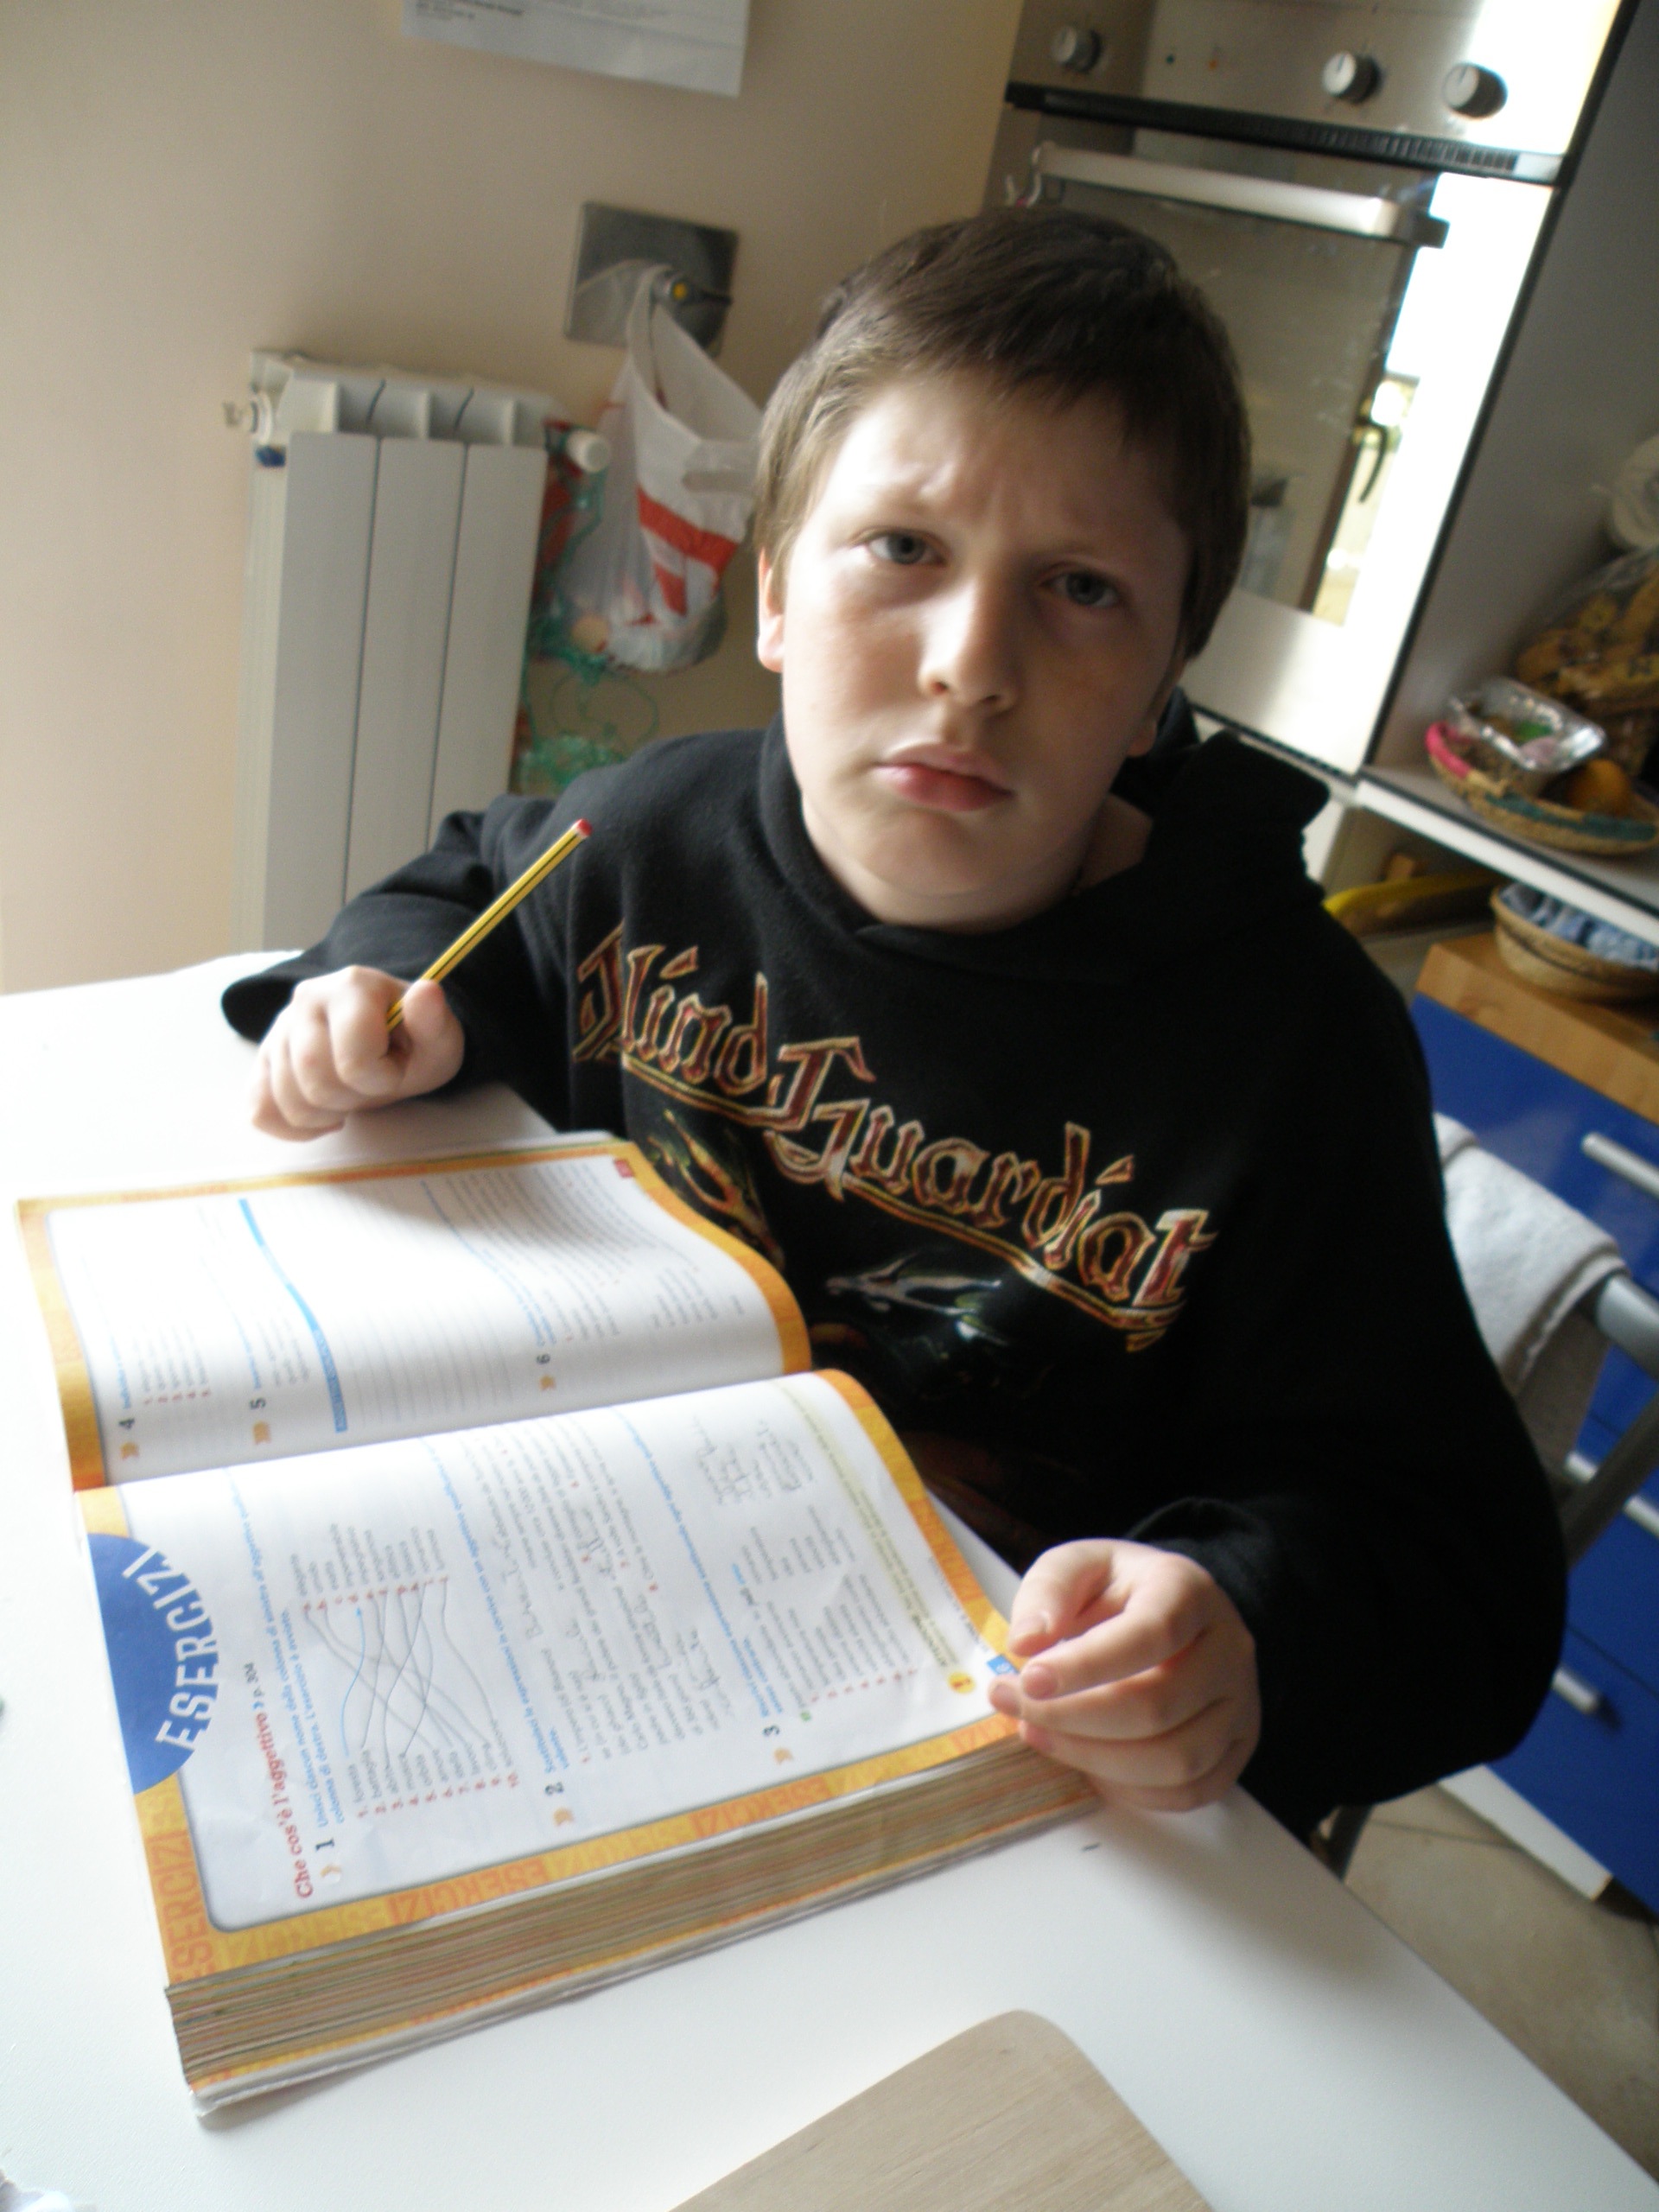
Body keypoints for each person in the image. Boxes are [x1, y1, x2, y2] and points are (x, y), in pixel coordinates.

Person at [222, 208, 1564, 1841]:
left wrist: (1244, 1624)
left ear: (1163, 682)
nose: (970, 666)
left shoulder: (1294, 1049)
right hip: (604, 1625)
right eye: (904, 551)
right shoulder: (650, 837)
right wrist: (372, 991)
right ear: (776, 598)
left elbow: (1463, 1584)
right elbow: (461, 884)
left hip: (1005, 1767)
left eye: (1081, 589)